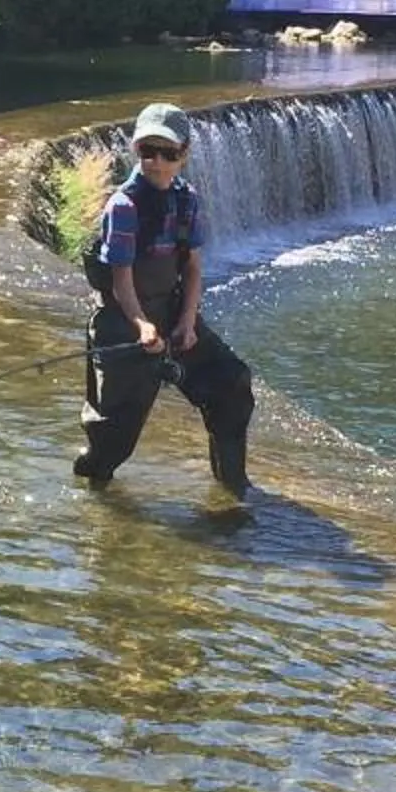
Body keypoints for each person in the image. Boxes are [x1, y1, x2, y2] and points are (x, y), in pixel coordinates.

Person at [74, 102, 254, 497]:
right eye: (147, 152)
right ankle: (94, 498)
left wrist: (188, 322)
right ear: (136, 152)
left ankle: (233, 490)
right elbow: (121, 280)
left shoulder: (186, 199)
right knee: (111, 440)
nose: (156, 163)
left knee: (231, 386)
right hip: (124, 321)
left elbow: (191, 267)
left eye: (168, 154)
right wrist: (141, 326)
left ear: (185, 154)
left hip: (173, 313)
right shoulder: (123, 207)